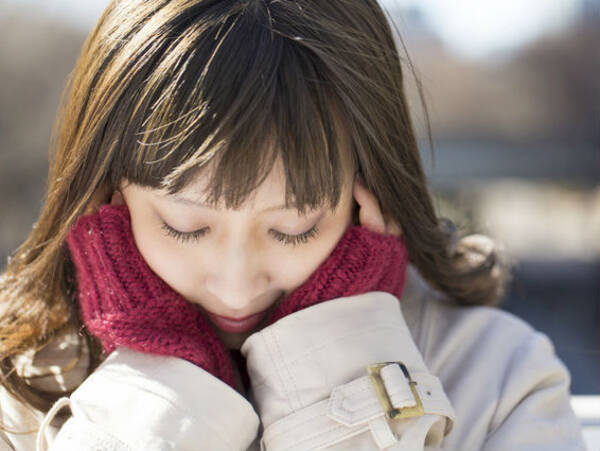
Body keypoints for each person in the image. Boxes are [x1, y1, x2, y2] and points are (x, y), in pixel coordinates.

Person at [0, 0, 586, 449]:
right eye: (183, 226)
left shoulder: (500, 378)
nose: (236, 285)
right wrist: (163, 390)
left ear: (370, 191)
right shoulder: (15, 393)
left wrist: (347, 375)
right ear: (106, 194)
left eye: (294, 228)